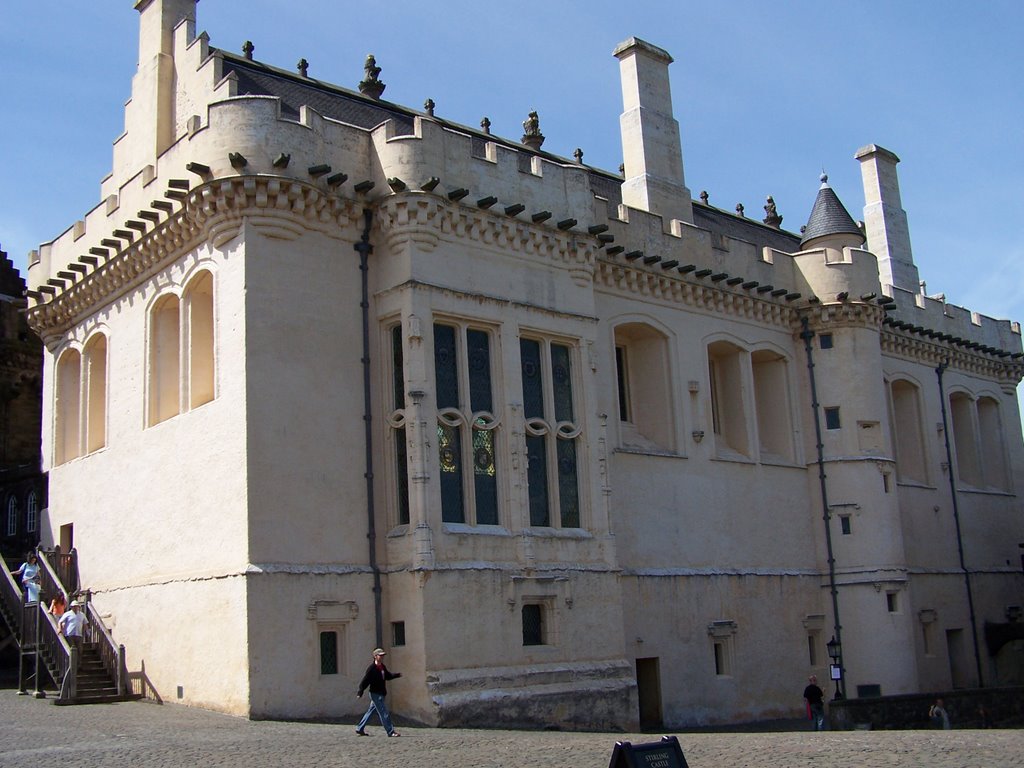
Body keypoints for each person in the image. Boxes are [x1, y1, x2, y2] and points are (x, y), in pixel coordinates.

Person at [356, 648, 402, 737]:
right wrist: (360, 691)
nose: (382, 657)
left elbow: (387, 676)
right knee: (384, 712)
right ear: (375, 656)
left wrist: (397, 675)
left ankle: (360, 728)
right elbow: (365, 681)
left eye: (383, 655)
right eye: (380, 655)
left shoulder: (382, 667)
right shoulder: (371, 669)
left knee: (370, 711)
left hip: (381, 693)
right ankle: (390, 731)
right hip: (375, 694)